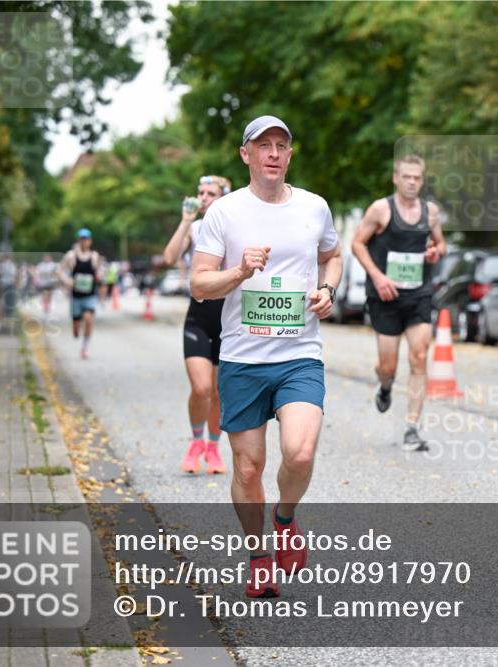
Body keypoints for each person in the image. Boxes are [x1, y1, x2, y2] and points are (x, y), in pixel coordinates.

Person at [191, 115, 342, 598]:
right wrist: (238, 272)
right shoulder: (224, 213)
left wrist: (328, 289)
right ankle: (258, 557)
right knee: (248, 468)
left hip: (299, 354)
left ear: (289, 155)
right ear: (246, 155)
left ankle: (285, 517)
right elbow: (198, 283)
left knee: (300, 452)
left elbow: (333, 256)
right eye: (263, 145)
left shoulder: (314, 207)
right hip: (242, 359)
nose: (273, 153)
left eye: (281, 145)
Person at [351, 155, 446, 451]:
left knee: (419, 356)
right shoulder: (381, 209)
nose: (412, 182)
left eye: (417, 178)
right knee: (387, 365)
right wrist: (378, 277)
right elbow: (357, 243)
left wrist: (436, 252)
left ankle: (411, 428)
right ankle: (385, 385)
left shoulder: (430, 212)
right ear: (396, 178)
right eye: (407, 177)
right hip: (385, 296)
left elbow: (440, 243)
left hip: (418, 294)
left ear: (422, 180)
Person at [162, 174, 232, 474]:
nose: (203, 197)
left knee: (217, 391)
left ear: (223, 197)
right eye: (201, 192)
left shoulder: (234, 225)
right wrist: (184, 221)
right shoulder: (194, 227)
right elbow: (169, 257)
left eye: (210, 193)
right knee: (201, 388)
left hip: (228, 317)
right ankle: (195, 442)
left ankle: (213, 447)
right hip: (199, 316)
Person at [59, 228, 104, 360]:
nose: (84, 242)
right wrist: (68, 281)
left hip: (90, 295)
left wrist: (99, 277)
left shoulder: (94, 256)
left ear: (90, 241)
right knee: (76, 328)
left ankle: (84, 348)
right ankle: (76, 328)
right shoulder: (71, 256)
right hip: (76, 296)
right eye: (82, 239)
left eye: (86, 239)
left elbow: (100, 272)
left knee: (89, 320)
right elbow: (60, 271)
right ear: (78, 241)